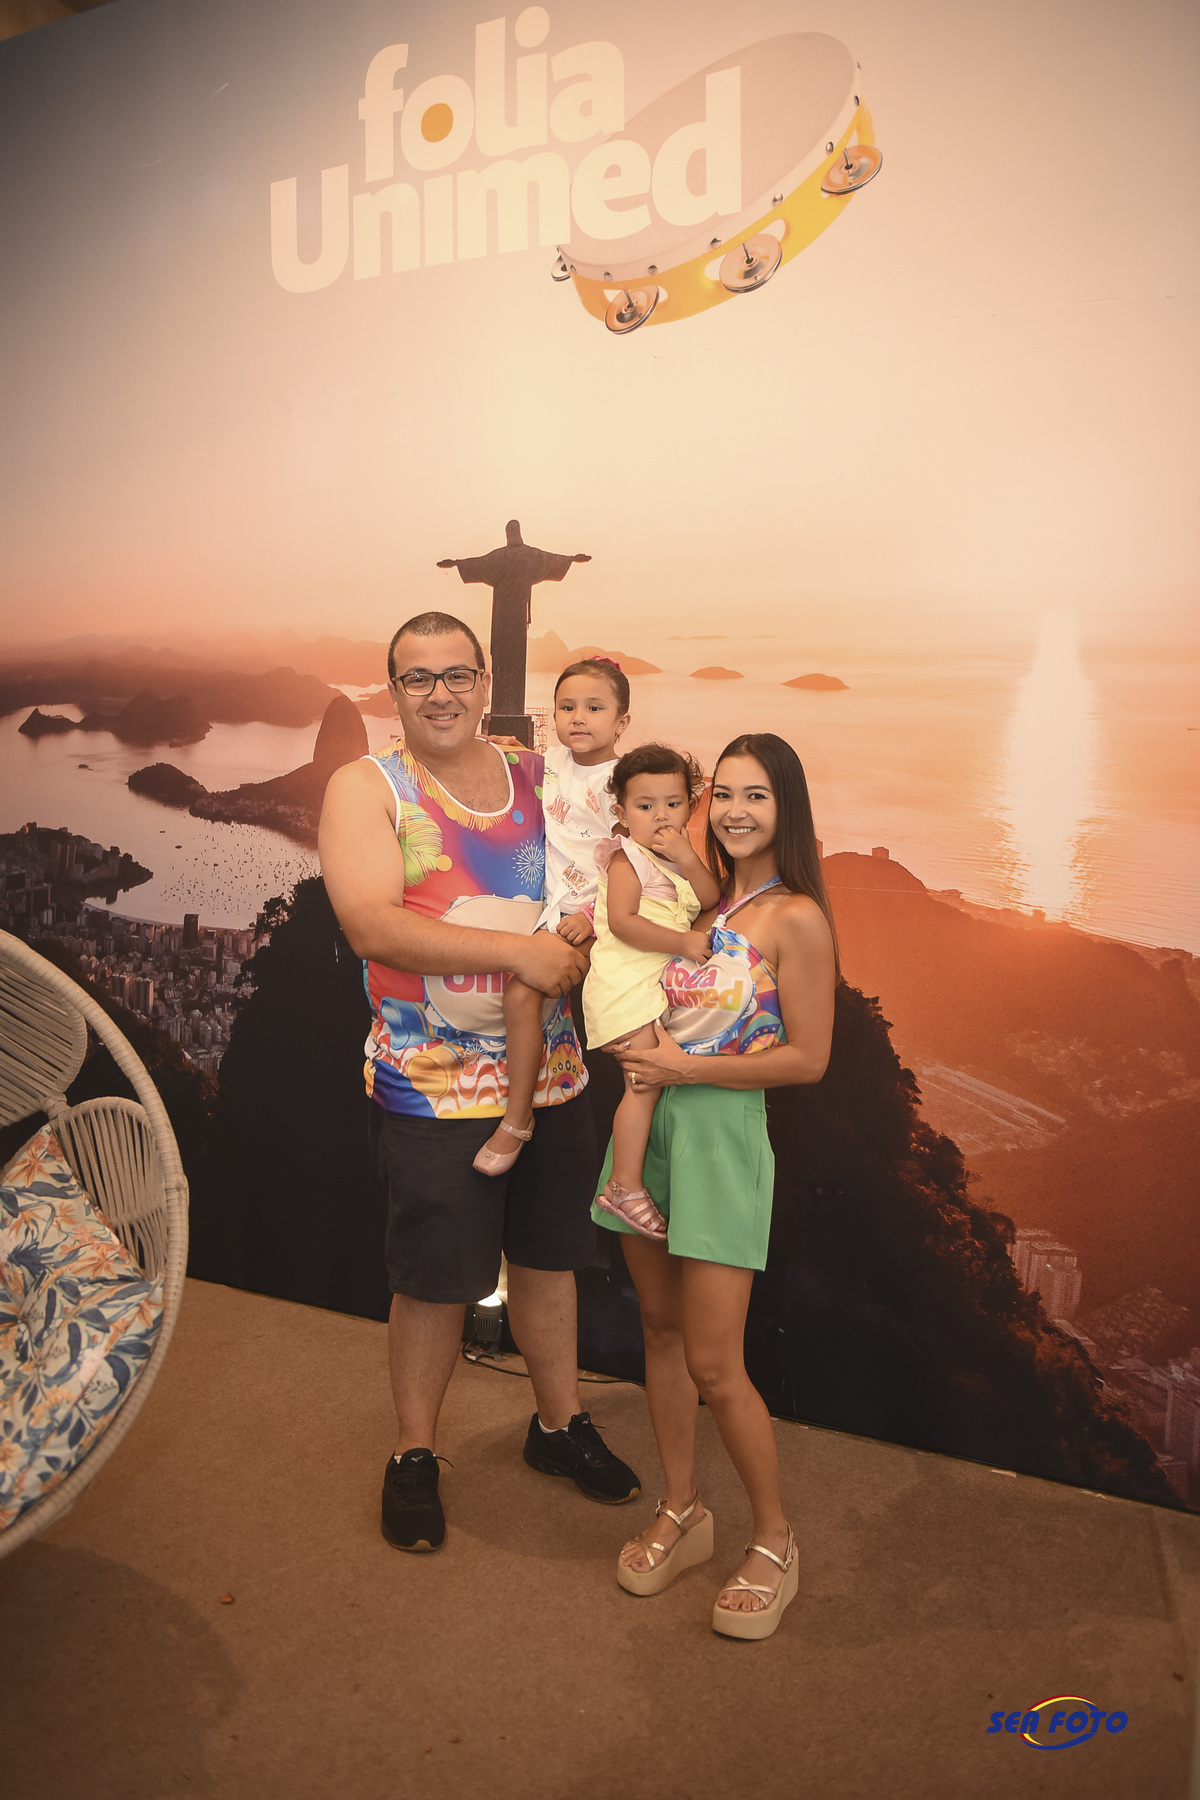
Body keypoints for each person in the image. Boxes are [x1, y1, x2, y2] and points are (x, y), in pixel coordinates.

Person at [318, 611, 641, 1555]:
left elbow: (617, 850)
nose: (441, 694)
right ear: (392, 690)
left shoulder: (538, 775)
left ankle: (558, 1424)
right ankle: (415, 1451)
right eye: (418, 678)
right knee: (434, 1281)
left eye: (457, 674)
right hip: (432, 1084)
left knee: (549, 1261)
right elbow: (372, 924)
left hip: (553, 1077)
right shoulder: (368, 787)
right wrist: (520, 953)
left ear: (485, 680)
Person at [594, 733, 836, 1640]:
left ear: (786, 808)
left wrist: (684, 1071)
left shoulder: (795, 918)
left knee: (716, 1364)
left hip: (721, 1138)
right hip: (649, 1129)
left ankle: (774, 1539)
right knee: (659, 1332)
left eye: (756, 796)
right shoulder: (699, 897)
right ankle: (682, 1507)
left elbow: (808, 1059)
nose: (735, 811)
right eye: (723, 794)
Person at [473, 657, 630, 1176]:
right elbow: (532, 763)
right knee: (525, 997)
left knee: (521, 997)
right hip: (553, 907)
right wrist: (508, 750)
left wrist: (593, 916)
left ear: (622, 722)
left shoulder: (623, 783)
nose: (578, 717)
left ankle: (517, 1120)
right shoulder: (557, 760)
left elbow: (636, 861)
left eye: (594, 708)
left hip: (595, 913)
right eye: (567, 707)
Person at [582, 744, 721, 1237]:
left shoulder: (674, 860)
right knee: (643, 1085)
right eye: (645, 806)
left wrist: (688, 857)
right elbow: (622, 923)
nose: (661, 816)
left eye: (673, 804)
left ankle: (636, 1179)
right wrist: (683, 942)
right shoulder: (628, 860)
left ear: (691, 807)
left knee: (653, 1082)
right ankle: (623, 1185)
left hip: (646, 988)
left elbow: (711, 897)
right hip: (623, 989)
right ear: (622, 814)